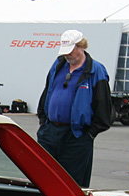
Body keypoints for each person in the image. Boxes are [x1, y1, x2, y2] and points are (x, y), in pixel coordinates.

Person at [35, 30, 113, 187]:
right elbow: (47, 92)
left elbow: (104, 106)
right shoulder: (58, 66)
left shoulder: (95, 70)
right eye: (65, 52)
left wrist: (90, 134)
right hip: (50, 132)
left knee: (72, 184)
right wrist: (43, 120)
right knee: (44, 180)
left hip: (77, 135)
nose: (67, 56)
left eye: (70, 51)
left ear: (81, 47)